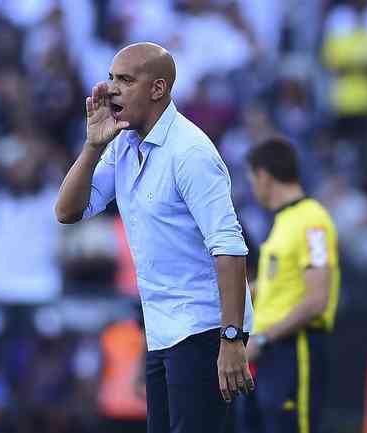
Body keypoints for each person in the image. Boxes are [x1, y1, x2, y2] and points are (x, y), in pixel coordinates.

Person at [55, 42, 254, 433]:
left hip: (203, 328)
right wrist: (93, 145)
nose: (111, 89)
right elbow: (68, 211)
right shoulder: (123, 144)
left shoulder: (190, 152)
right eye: (111, 77)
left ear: (158, 88)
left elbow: (229, 248)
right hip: (162, 327)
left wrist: (231, 340)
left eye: (125, 80)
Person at [242, 136, 340, 433]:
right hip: (273, 351)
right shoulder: (284, 223)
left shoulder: (312, 221)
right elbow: (279, 287)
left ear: (263, 176)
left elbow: (317, 298)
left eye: (252, 180)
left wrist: (261, 340)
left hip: (295, 348)